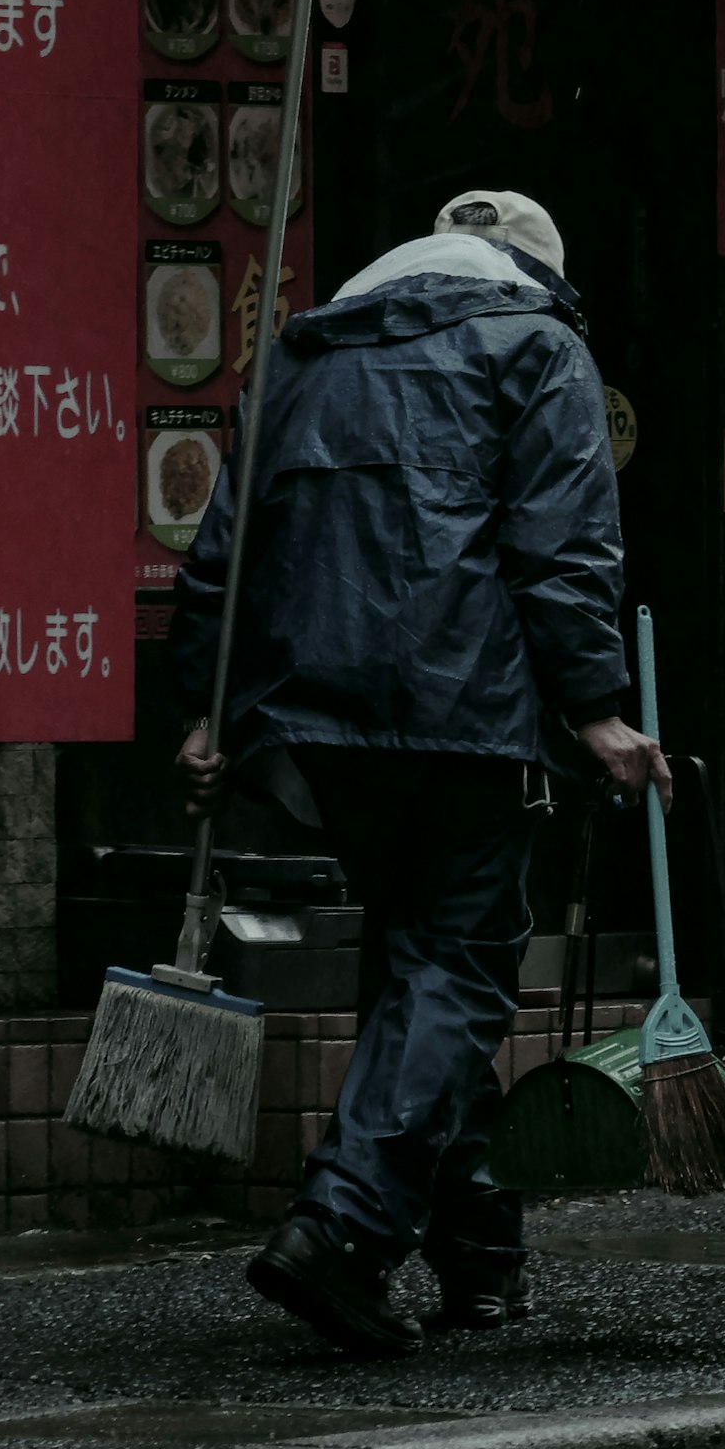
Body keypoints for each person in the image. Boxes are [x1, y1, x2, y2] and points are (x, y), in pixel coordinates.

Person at [167, 188, 667, 1357]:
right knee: (456, 971)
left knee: (415, 966)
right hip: (469, 711)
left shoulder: (303, 351)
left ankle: (481, 1257)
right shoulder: (541, 346)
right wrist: (595, 707)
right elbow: (564, 544)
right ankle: (342, 1229)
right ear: (531, 275)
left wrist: (206, 705)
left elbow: (228, 548)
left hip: (324, 715)